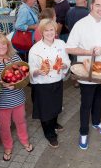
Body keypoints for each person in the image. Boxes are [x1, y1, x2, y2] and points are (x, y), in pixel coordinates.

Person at [66, 0, 101, 150]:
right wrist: (88, 52)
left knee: (99, 98)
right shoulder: (81, 24)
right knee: (86, 103)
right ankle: (83, 132)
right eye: (98, 5)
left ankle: (96, 122)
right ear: (91, 6)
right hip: (86, 71)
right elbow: (69, 47)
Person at [0, 34, 33, 161]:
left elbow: (23, 75)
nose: (1, 47)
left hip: (18, 99)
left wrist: (17, 83)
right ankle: (8, 146)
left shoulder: (14, 57)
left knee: (21, 122)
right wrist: (2, 83)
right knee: (4, 126)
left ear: (7, 45)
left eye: (3, 44)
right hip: (1, 102)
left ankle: (24, 140)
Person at [29, 19, 71, 148]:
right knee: (46, 111)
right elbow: (31, 68)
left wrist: (64, 65)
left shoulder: (61, 44)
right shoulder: (35, 49)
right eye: (46, 30)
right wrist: (37, 71)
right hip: (42, 85)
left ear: (55, 30)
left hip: (57, 81)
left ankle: (54, 124)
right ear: (41, 32)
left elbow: (67, 60)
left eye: (51, 29)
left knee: (56, 106)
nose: (49, 32)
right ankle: (50, 134)